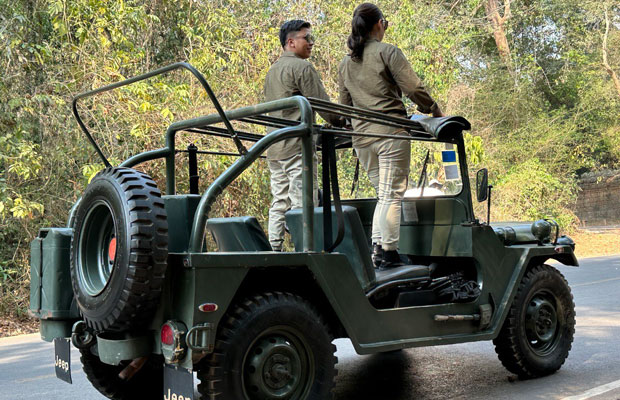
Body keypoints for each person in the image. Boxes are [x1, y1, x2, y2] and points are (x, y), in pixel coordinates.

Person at [338, 3, 445, 269]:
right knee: (392, 195)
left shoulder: (345, 64)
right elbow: (413, 88)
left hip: (362, 139)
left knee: (381, 194)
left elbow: (343, 105)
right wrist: (432, 109)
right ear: (378, 25)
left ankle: (377, 249)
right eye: (385, 24)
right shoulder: (388, 52)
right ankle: (389, 252)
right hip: (390, 134)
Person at [264, 19, 341, 251]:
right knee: (303, 204)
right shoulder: (302, 68)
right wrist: (343, 121)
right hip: (297, 148)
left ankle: (274, 249)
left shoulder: (272, 71)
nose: (311, 42)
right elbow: (324, 107)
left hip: (275, 149)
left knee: (279, 202)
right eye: (307, 38)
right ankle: (305, 253)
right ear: (291, 42)